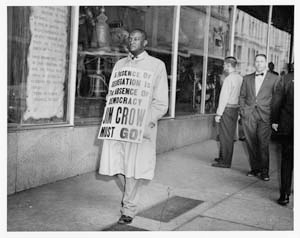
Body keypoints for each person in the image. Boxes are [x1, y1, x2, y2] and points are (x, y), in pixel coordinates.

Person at [99, 29, 169, 224]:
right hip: (119, 124)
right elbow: (112, 93)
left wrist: (148, 121)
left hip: (140, 127)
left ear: (145, 43)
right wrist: (110, 114)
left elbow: (162, 102)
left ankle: (128, 208)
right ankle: (129, 197)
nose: (132, 41)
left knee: (134, 168)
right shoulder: (120, 64)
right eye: (130, 38)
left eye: (137, 39)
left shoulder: (157, 66)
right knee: (115, 165)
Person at [239, 54, 280, 181]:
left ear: (266, 63)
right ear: (254, 63)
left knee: (263, 144)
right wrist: (243, 111)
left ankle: (264, 171)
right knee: (251, 143)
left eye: (261, 61)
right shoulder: (247, 78)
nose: (258, 64)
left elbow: (277, 99)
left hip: (265, 115)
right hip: (249, 114)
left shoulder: (274, 78)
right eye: (256, 61)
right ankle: (255, 169)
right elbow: (242, 96)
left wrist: (275, 117)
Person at [212, 56, 243, 168]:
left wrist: (218, 114)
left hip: (227, 109)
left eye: (224, 64)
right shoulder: (240, 78)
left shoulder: (228, 79)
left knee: (225, 137)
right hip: (235, 109)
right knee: (228, 136)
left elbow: (223, 98)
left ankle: (225, 161)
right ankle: (223, 157)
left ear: (229, 65)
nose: (223, 66)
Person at [271, 66, 294, 205]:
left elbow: (276, 102)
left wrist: (274, 120)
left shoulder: (285, 79)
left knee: (287, 160)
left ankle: (285, 195)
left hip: (288, 125)